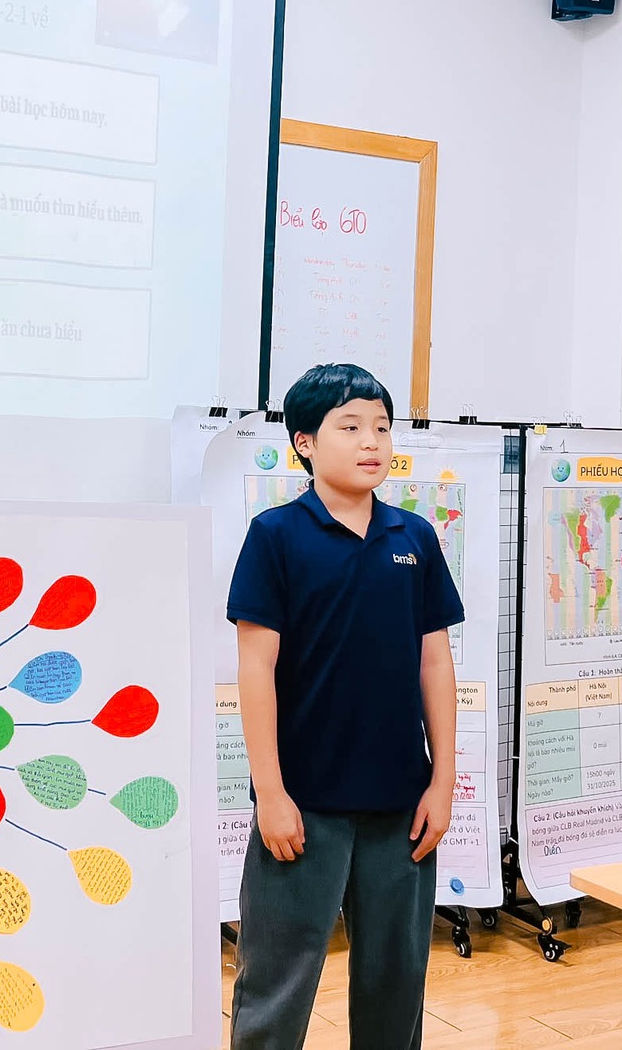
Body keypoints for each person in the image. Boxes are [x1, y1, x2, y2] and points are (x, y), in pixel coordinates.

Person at [225, 363, 463, 1050]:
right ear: (304, 442)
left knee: (396, 984)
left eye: (382, 428)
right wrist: (271, 792)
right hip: (303, 807)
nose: (372, 442)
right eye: (351, 427)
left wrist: (442, 782)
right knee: (277, 983)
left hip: (400, 808)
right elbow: (255, 669)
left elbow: (435, 663)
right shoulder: (276, 536)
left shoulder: (414, 538)